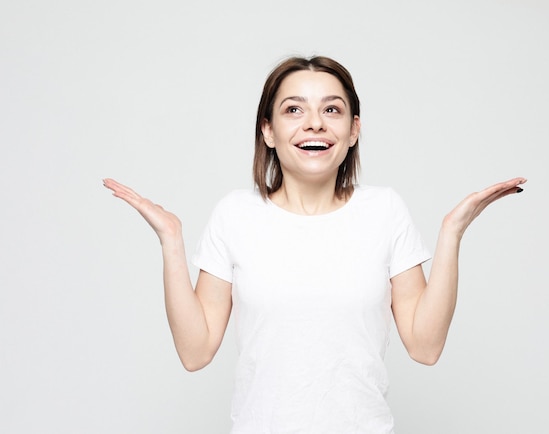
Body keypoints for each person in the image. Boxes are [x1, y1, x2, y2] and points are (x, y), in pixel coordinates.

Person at [103, 55, 525, 433]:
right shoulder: (235, 214)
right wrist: (171, 241)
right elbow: (195, 353)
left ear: (354, 129)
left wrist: (452, 232)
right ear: (267, 130)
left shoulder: (385, 210)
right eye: (293, 110)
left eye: (332, 110)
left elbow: (426, 345)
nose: (315, 123)